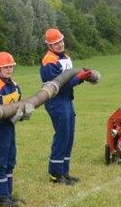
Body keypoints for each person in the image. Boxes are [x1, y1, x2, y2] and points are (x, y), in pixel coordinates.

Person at [40, 28, 94, 185]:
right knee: (62, 136)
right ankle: (55, 175)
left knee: (69, 136)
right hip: (56, 101)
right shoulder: (49, 61)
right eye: (55, 43)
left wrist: (83, 77)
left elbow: (70, 79)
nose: (59, 44)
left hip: (67, 100)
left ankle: (65, 172)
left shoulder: (66, 58)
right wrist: (79, 78)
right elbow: (59, 85)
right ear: (49, 45)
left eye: (61, 41)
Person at [0, 52, 30, 207]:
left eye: (11, 66)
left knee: (10, 159)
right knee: (1, 160)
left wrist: (22, 114)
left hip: (8, 126)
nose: (9, 69)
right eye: (6, 67)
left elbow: (18, 102)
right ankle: (1, 198)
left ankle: (8, 194)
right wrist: (12, 117)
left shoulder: (13, 85)